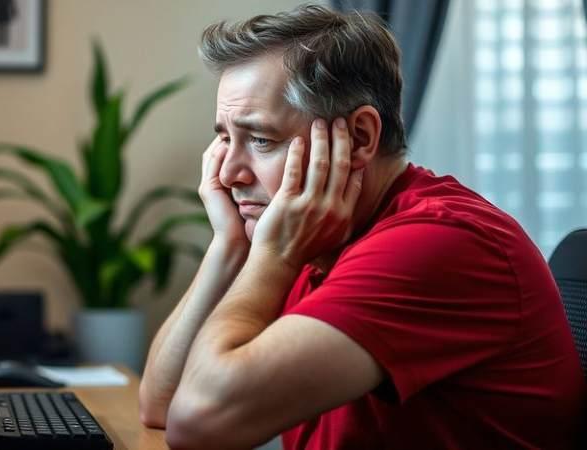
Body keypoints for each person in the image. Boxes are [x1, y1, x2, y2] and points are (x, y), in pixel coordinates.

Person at [138, 4, 587, 450]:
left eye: (260, 140)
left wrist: (273, 257)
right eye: (223, 138)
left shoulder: (437, 243)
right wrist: (229, 247)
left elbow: (198, 422)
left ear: (359, 138)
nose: (229, 173)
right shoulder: (323, 236)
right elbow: (160, 405)